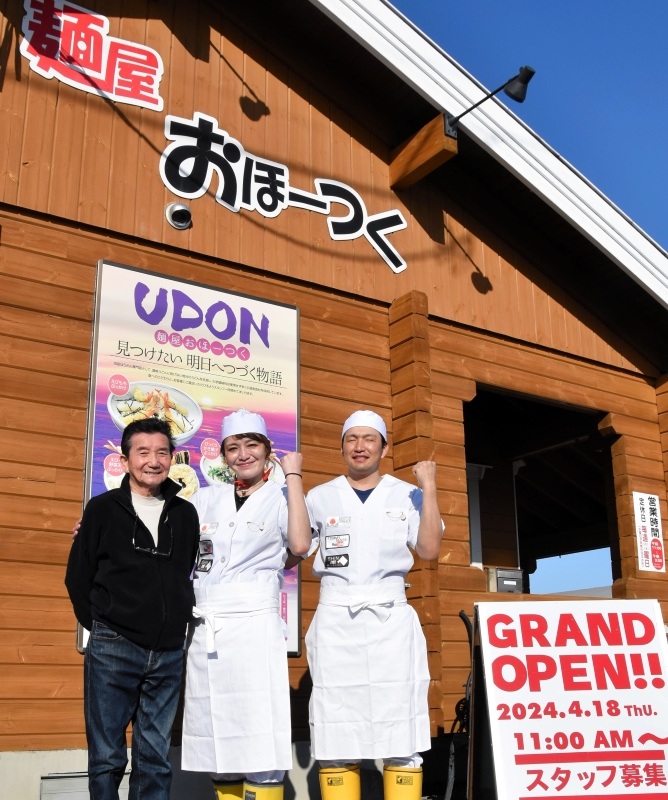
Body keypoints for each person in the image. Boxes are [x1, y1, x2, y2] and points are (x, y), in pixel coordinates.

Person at [305, 409, 443, 800]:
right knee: (335, 727)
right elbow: (297, 548)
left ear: (384, 447)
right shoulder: (320, 496)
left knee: (398, 725)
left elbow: (430, 549)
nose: (360, 446)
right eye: (352, 438)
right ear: (342, 446)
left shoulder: (408, 493)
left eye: (369, 439)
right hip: (336, 619)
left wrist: (430, 487)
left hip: (390, 620)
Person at [65, 417, 200, 800]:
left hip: (169, 652)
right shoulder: (103, 509)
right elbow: (78, 576)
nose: (153, 461)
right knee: (107, 757)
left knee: (155, 757)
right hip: (114, 646)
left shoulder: (185, 514)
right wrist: (104, 624)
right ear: (126, 460)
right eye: (143, 452)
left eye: (162, 452)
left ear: (172, 458)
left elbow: (185, 573)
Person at [181, 409, 313, 800]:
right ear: (223, 456)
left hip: (255, 625)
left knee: (258, 724)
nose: (243, 454)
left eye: (251, 444)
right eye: (233, 447)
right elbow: (169, 541)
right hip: (208, 627)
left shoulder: (284, 495)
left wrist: (293, 476)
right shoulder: (205, 498)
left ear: (268, 449)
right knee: (216, 730)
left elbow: (301, 546)